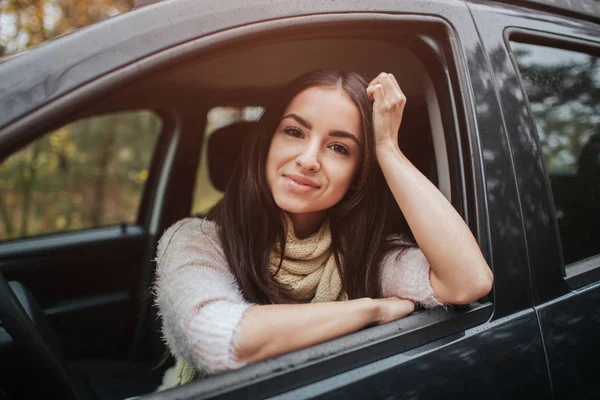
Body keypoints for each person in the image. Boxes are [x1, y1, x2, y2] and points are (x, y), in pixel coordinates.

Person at [153, 70, 493, 388]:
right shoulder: (196, 239)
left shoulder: (364, 252)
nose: (308, 159)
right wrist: (372, 310)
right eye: (294, 132)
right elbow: (214, 340)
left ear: (359, 173)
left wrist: (388, 150)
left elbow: (467, 282)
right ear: (266, 142)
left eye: (339, 148)